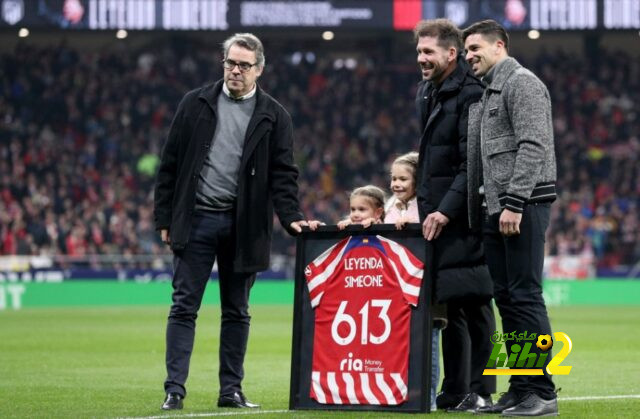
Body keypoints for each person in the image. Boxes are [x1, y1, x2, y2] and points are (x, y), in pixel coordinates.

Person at [153, 33, 319, 411]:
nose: (236, 71)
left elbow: (283, 174)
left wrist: (291, 218)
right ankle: (174, 389)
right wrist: (165, 216)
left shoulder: (275, 115)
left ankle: (231, 390)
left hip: (244, 226)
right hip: (195, 221)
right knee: (183, 307)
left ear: (259, 69)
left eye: (244, 65)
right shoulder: (194, 103)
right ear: (223, 63)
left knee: (237, 310)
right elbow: (170, 164)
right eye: (231, 63)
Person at [463, 19, 558, 416]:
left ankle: (542, 392)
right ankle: (520, 389)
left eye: (474, 48)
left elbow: (533, 144)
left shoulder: (523, 83)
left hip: (522, 206)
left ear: (499, 45)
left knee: (524, 296)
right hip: (496, 209)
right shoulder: (487, 95)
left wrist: (515, 202)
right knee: (507, 299)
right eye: (466, 51)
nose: (469, 56)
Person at [413, 19, 496, 412]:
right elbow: (433, 159)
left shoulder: (471, 93)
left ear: (451, 53)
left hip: (468, 214)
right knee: (453, 302)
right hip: (438, 213)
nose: (421, 59)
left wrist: (445, 210)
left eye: (428, 52)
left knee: (477, 302)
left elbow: (472, 162)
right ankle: (456, 387)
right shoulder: (428, 92)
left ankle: (483, 389)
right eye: (418, 51)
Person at [383, 151, 447, 411]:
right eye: (393, 178)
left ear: (417, 180)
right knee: (399, 342)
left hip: (423, 284)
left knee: (428, 341)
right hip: (393, 287)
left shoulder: (425, 205)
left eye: (402, 179)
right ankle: (399, 393)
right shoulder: (390, 206)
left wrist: (410, 223)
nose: (396, 184)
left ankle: (428, 397)